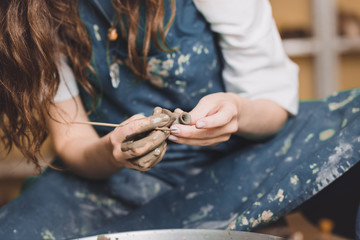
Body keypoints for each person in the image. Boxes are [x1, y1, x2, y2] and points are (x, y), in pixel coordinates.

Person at [0, 0, 359, 239]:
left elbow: (274, 109)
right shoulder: (36, 12)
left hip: (243, 160)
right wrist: (112, 152)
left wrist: (237, 108)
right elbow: (71, 143)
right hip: (117, 182)